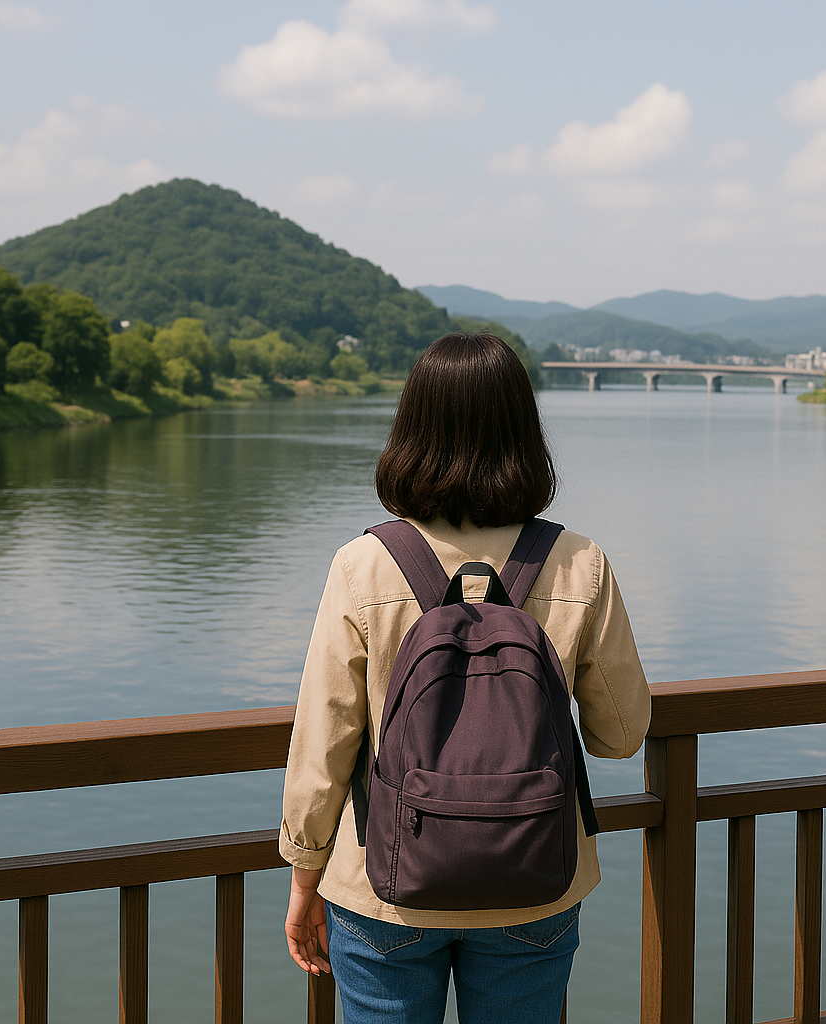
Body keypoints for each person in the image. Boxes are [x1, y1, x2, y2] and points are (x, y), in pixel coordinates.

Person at [280, 331, 651, 1024]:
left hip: (381, 883)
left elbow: (322, 745)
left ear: (411, 428)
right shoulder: (578, 563)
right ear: (523, 431)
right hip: (535, 878)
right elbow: (620, 735)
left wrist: (306, 876)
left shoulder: (362, 565)